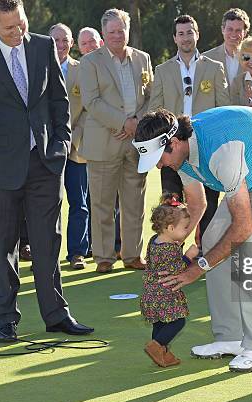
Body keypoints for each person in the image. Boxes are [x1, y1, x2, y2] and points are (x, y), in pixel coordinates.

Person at [0, 0, 93, 342]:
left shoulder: (44, 47)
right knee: (4, 245)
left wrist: (60, 145)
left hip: (45, 162)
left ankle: (56, 315)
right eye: (8, 28)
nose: (18, 32)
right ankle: (5, 318)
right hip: (1, 167)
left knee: (48, 242)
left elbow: (59, 101)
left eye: (21, 23)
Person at [134, 106, 252, 373]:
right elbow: (197, 203)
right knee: (213, 240)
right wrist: (170, 244)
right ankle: (231, 337)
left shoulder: (220, 152)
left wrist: (196, 269)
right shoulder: (182, 154)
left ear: (174, 143)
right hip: (246, 178)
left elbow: (243, 227)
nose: (158, 165)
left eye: (159, 157)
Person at [79, 8, 152, 273]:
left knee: (135, 202)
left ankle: (133, 255)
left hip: (136, 142)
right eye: (112, 32)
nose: (117, 36)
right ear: (104, 34)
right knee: (102, 204)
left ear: (127, 31)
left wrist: (136, 123)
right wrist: (123, 122)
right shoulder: (90, 62)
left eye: (121, 31)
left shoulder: (143, 59)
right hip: (104, 140)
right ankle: (104, 257)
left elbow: (151, 98)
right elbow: (91, 101)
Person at [149, 14, 230, 232]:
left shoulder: (214, 67)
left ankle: (203, 251)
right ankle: (170, 250)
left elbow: (223, 109)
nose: (186, 38)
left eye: (189, 33)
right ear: (175, 38)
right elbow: (154, 112)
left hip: (204, 146)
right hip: (171, 146)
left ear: (197, 35)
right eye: (181, 34)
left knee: (209, 203)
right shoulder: (162, 70)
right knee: (171, 202)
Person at [76, 27, 121, 261]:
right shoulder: (79, 68)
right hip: (87, 144)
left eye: (92, 42)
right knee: (95, 201)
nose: (88, 46)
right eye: (83, 44)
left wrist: (121, 125)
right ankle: (96, 249)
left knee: (119, 201)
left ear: (100, 41)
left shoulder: (115, 63)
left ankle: (119, 245)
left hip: (120, 138)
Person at [141, 193, 198, 368]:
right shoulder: (170, 249)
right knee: (177, 321)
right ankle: (156, 346)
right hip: (165, 293)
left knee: (159, 322)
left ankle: (161, 353)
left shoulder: (155, 240)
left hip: (151, 292)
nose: (187, 231)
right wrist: (188, 256)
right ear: (171, 228)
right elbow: (177, 269)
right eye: (185, 228)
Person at [49, 22, 88, 270]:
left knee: (79, 202)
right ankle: (48, 255)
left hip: (75, 148)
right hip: (47, 149)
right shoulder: (38, 69)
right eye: (56, 40)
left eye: (65, 40)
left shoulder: (83, 70)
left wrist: (74, 138)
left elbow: (88, 109)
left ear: (72, 43)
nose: (61, 45)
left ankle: (77, 253)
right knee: (48, 204)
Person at [202, 8, 249, 89]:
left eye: (238, 30)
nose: (233, 34)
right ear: (223, 29)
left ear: (244, 33)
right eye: (230, 29)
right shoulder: (206, 58)